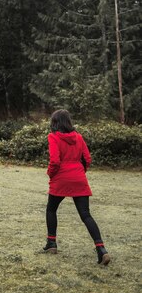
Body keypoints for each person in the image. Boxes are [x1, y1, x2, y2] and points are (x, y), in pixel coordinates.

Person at [43, 109, 110, 266]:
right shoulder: (79, 137)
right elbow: (87, 158)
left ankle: (51, 243)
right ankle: (101, 249)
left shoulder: (53, 137)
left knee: (51, 209)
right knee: (86, 215)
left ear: (55, 123)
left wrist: (50, 174)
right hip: (79, 178)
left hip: (61, 178)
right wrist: (80, 172)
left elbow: (54, 161)